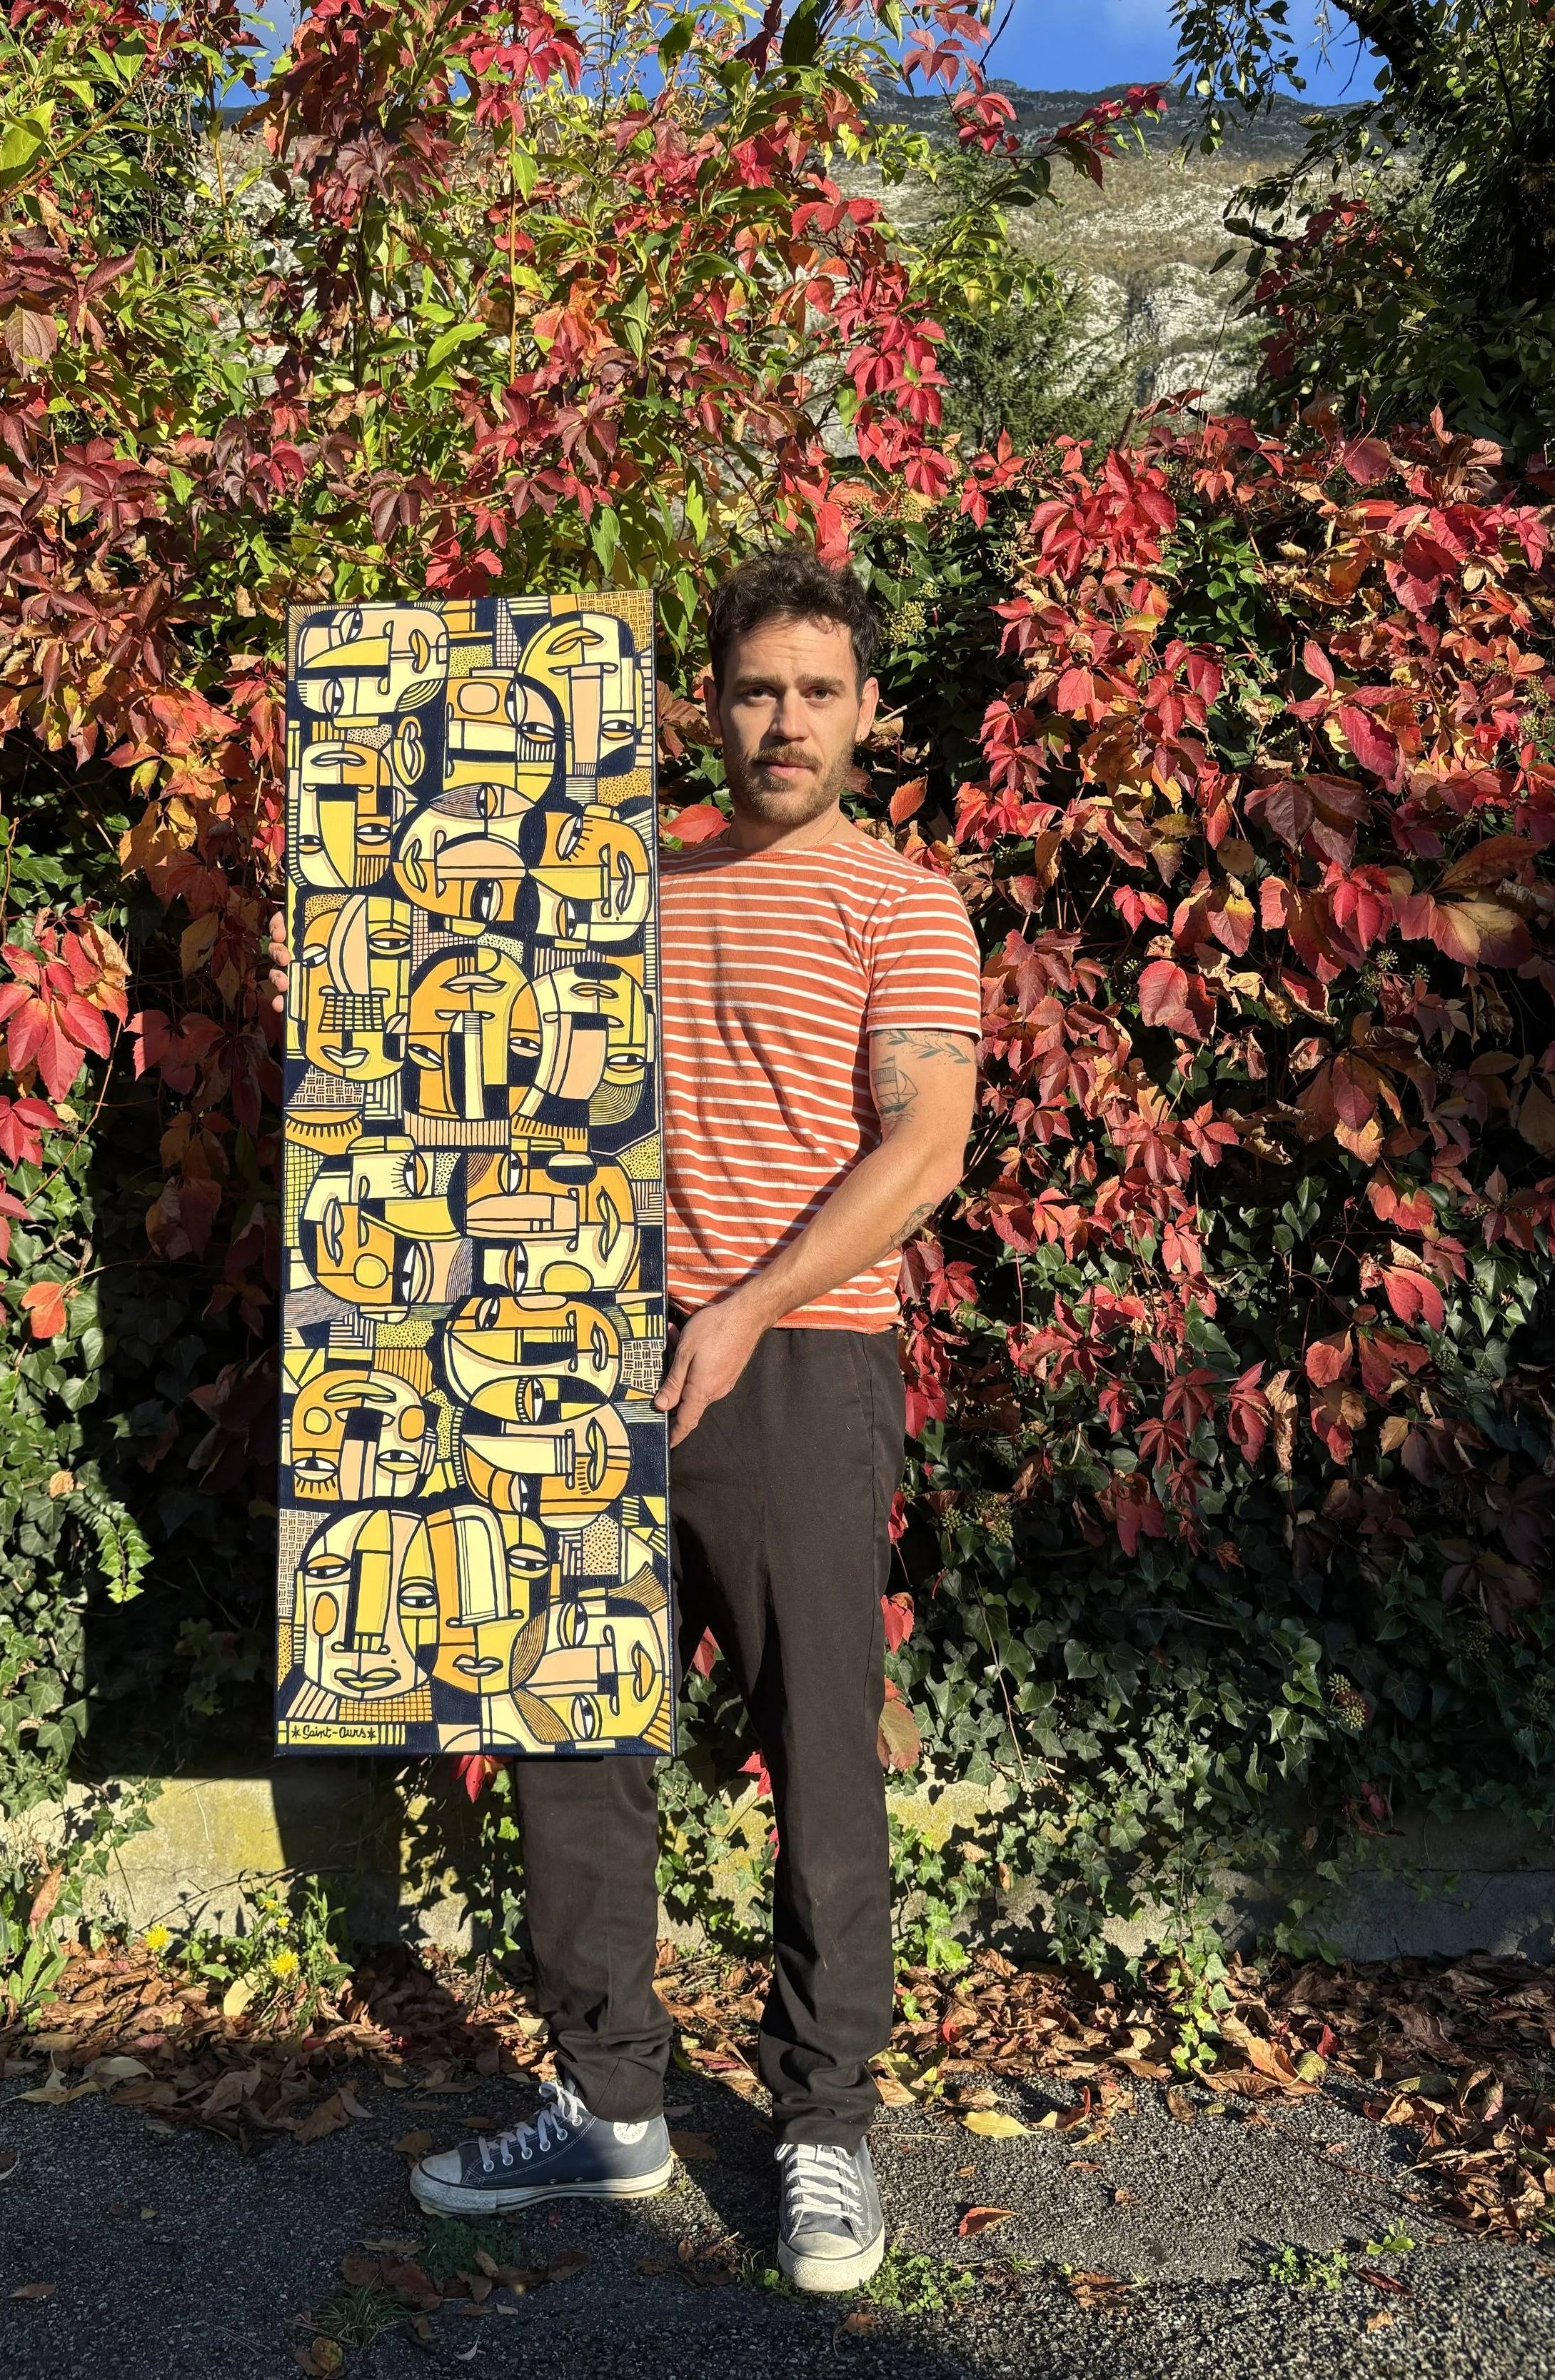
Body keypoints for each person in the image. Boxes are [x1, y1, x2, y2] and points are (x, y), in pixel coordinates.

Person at [408, 551, 980, 2293]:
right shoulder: (617, 879)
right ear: (704, 707)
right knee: (571, 1727)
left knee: (818, 1740)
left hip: (797, 1363)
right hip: (580, 1353)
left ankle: (823, 2127)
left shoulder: (902, 906)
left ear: (866, 712)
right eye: (753, 690)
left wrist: (741, 1305)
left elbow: (923, 1148)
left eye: (817, 691)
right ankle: (608, 2105)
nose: (783, 720)